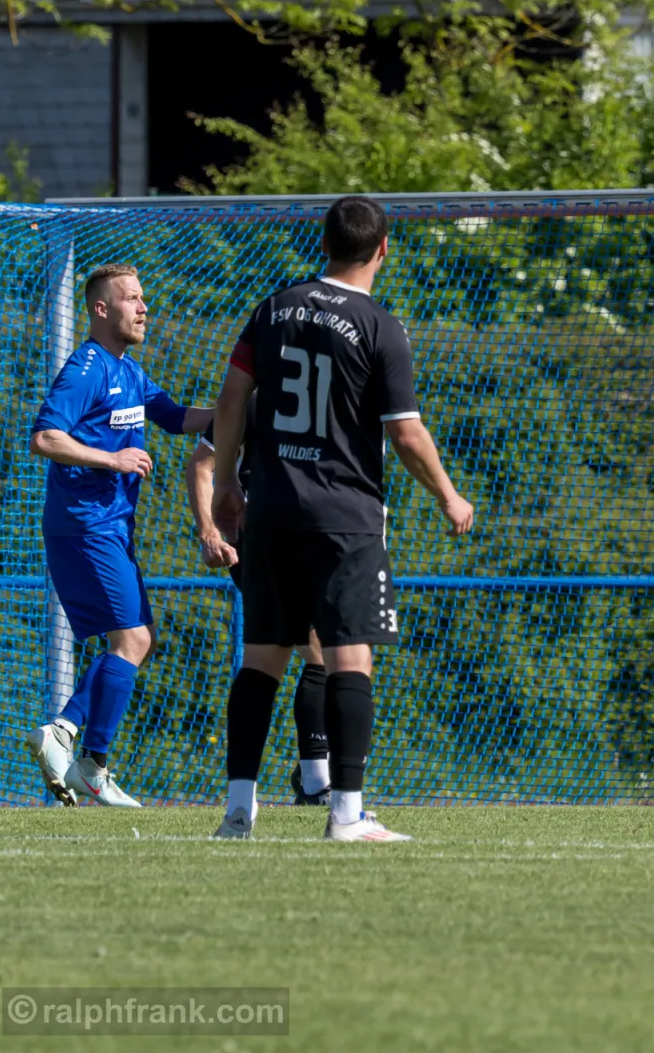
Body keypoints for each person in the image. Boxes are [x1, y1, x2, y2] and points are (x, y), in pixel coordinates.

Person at [209, 195, 475, 842]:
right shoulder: (380, 325)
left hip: (271, 508)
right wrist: (448, 495)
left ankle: (238, 812)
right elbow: (406, 432)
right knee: (349, 659)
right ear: (383, 249)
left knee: (261, 660)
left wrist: (226, 481)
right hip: (345, 515)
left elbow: (233, 395)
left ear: (323, 243)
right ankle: (346, 814)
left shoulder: (272, 308)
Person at [22, 264, 213, 807]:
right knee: (132, 640)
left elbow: (175, 417)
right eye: (132, 298)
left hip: (109, 526)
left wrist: (242, 409)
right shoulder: (86, 367)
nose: (143, 307)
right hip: (84, 525)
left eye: (143, 298)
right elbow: (45, 438)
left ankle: (78, 748)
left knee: (137, 638)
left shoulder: (127, 370)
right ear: (101, 309)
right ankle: (80, 750)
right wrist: (113, 458)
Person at [187, 406, 335, 818]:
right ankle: (313, 782)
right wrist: (208, 532)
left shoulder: (328, 398)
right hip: (258, 538)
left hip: (306, 537)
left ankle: (310, 777)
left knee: (318, 653)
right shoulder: (251, 401)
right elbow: (201, 465)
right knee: (310, 652)